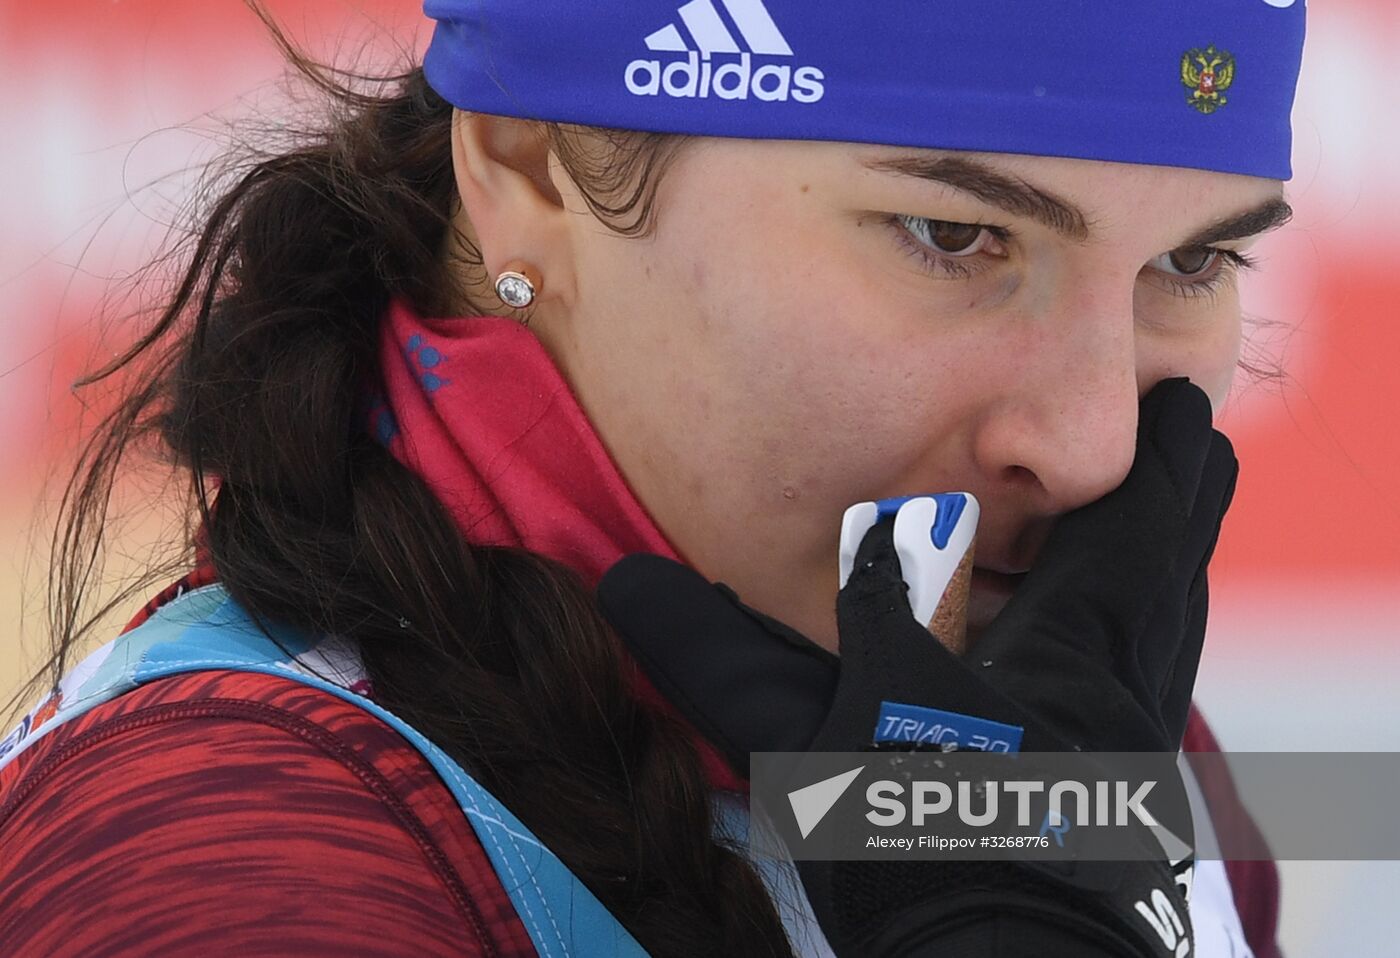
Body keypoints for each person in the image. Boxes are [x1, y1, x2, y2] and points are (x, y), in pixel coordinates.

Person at [0, 1, 1305, 955]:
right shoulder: (233, 846)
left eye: (1193, 263)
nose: (1093, 447)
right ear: (532, 169)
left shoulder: (1071, 747)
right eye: (953, 235)